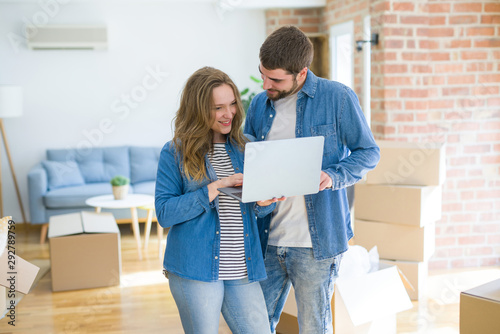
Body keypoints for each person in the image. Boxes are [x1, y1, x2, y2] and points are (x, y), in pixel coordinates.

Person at [244, 26, 381, 334]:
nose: (266, 84)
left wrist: (332, 176)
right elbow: (249, 161)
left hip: (315, 245)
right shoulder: (258, 105)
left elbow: (369, 152)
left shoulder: (338, 98)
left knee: (312, 328)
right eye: (262, 75)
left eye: (275, 79)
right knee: (253, 326)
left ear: (302, 73)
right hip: (267, 239)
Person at [155, 67, 278, 334]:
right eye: (218, 107)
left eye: (233, 104)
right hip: (195, 269)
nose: (229, 113)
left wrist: (264, 204)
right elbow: (165, 213)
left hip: (242, 265)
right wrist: (214, 188)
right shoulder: (175, 152)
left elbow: (254, 210)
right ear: (198, 110)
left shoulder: (248, 147)